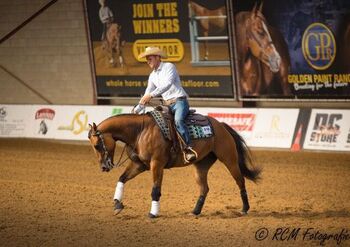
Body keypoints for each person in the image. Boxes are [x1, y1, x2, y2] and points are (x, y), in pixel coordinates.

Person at [136, 46, 197, 163]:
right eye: (146, 59)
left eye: (150, 58)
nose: (147, 61)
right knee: (155, 123)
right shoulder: (152, 76)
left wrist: (151, 95)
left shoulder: (169, 66)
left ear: (158, 57)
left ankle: (188, 148)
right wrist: (139, 107)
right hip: (167, 105)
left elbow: (167, 84)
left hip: (179, 101)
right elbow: (147, 93)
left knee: (178, 121)